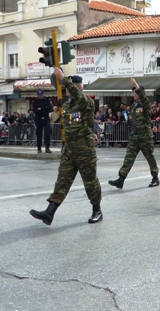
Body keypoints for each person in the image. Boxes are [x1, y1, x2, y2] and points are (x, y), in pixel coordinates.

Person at [30, 69, 102, 225]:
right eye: (66, 86)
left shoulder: (86, 102)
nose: (67, 89)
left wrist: (63, 77)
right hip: (69, 150)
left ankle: (97, 210)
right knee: (62, 181)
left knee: (90, 181)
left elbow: (83, 107)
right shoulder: (67, 107)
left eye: (70, 86)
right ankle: (49, 213)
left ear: (78, 88)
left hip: (84, 150)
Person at [108, 78, 160, 190]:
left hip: (145, 137)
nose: (134, 94)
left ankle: (155, 178)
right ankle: (121, 179)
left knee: (150, 157)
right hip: (135, 137)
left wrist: (136, 84)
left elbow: (145, 106)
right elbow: (145, 118)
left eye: (136, 92)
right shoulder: (133, 106)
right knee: (128, 158)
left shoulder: (145, 104)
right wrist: (152, 125)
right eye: (133, 92)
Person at [33, 89, 53, 153]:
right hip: (39, 119)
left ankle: (47, 147)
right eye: (39, 95)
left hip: (46, 119)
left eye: (41, 95)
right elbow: (35, 110)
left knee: (47, 133)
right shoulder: (35, 101)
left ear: (43, 94)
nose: (40, 96)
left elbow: (49, 108)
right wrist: (44, 108)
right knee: (39, 134)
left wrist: (41, 108)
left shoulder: (47, 100)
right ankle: (39, 148)